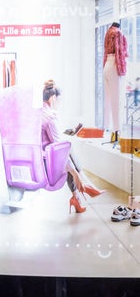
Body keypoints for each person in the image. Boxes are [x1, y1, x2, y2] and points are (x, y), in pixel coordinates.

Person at [41, 79, 102, 215]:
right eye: (59, 101)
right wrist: (74, 173)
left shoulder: (40, 112)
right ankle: (84, 185)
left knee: (68, 146)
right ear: (53, 98)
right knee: (68, 148)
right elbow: (59, 149)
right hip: (46, 162)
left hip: (39, 157)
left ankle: (78, 196)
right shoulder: (50, 117)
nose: (60, 104)